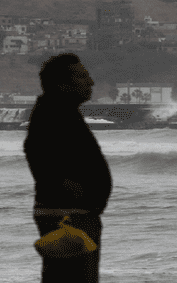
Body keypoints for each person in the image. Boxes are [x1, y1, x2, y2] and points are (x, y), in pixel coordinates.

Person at [24, 53, 112, 282]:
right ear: (62, 85)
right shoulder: (54, 113)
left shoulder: (59, 111)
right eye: (82, 77)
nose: (90, 82)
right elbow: (37, 152)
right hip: (68, 215)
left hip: (73, 213)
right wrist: (70, 191)